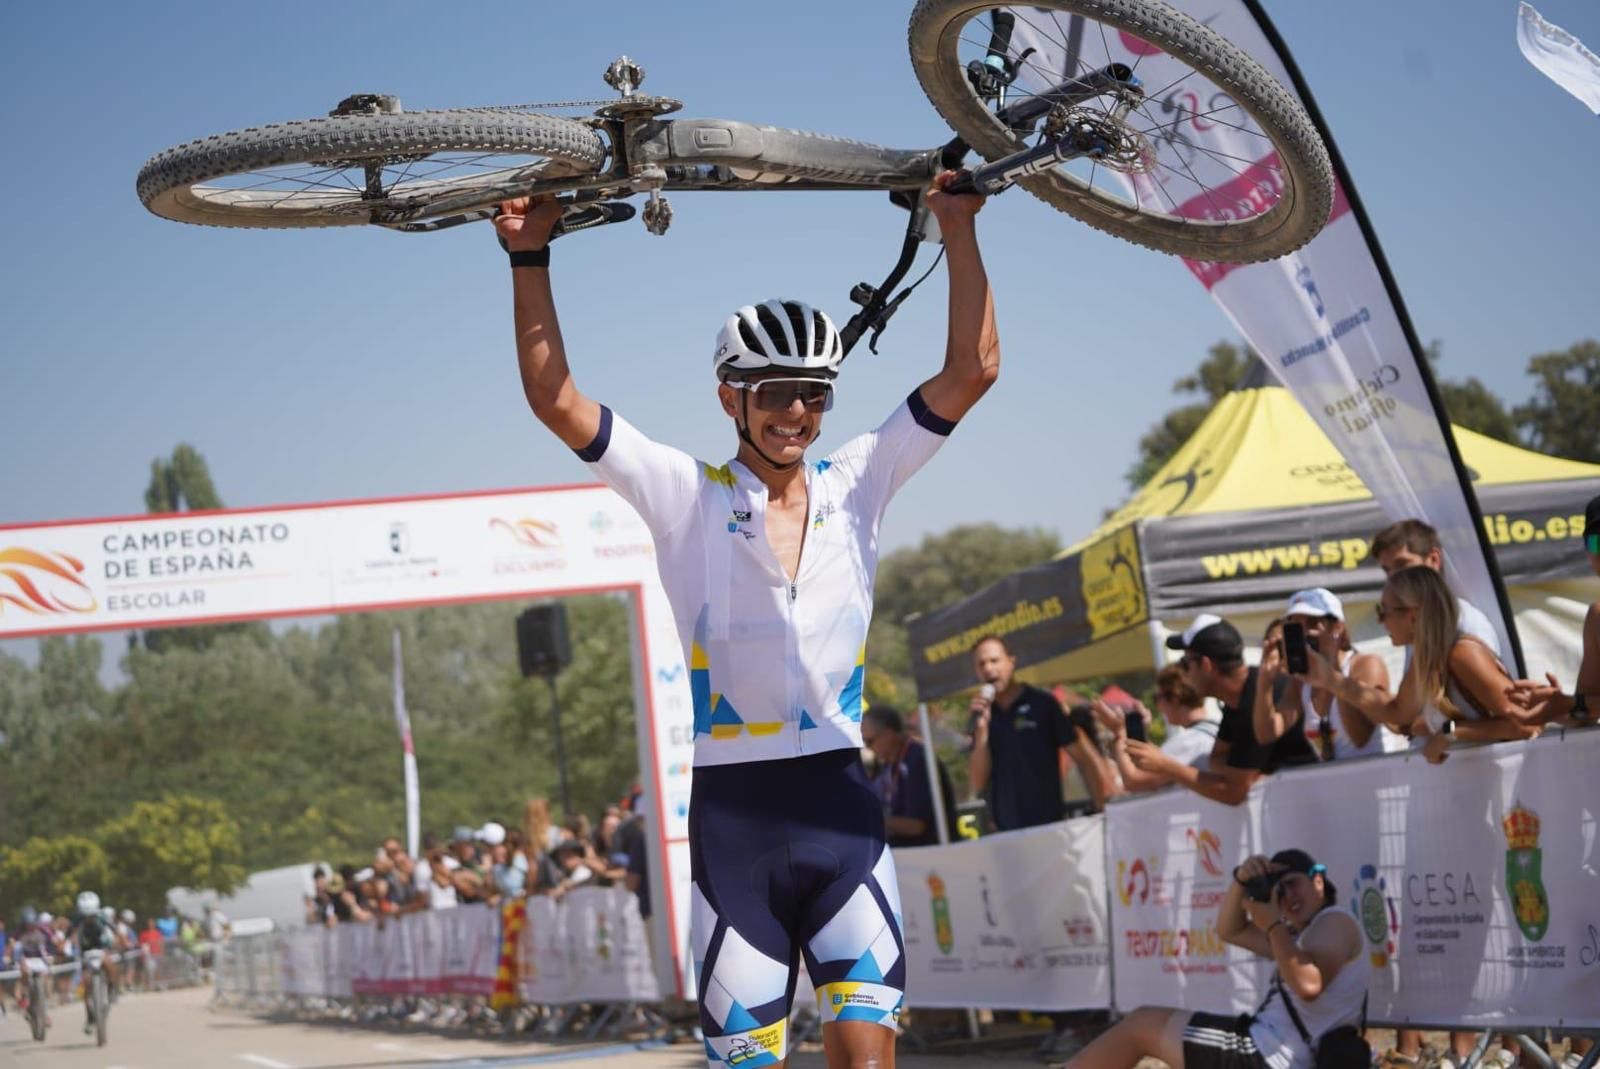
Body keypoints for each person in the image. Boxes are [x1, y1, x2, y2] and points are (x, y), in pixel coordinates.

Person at [496, 169, 995, 1067]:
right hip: (736, 827)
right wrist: (529, 255)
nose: (796, 412)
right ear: (730, 397)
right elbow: (554, 399)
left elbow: (974, 370)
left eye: (814, 392)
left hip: (844, 813)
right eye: (773, 392)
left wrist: (956, 227)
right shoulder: (684, 495)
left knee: (868, 1060)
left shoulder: (860, 481)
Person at [1064, 849, 1367, 1068]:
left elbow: (1309, 986)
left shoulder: (1334, 920)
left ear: (1318, 882)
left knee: (1142, 1025)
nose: (1288, 895)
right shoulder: (1299, 937)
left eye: (1293, 883)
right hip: (1274, 1053)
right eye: (1279, 889)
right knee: (1143, 1024)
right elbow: (1230, 930)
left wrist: (1273, 924)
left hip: (1267, 1055)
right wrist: (1240, 881)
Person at [1308, 566, 1538, 764]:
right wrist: (1330, 679)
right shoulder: (1425, 658)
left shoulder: (1462, 654)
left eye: (1383, 611)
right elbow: (1398, 713)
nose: (1380, 620)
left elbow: (1525, 724)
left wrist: (1451, 732)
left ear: (1413, 616)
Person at [1129, 616, 1316, 806]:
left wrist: (1167, 766)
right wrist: (1238, 773)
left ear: (1206, 665)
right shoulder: (1239, 695)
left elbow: (1233, 792)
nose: (1184, 673)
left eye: (1186, 663)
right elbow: (1216, 760)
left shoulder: (1256, 696)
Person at [968, 635, 1113, 830]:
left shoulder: (1043, 704)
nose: (988, 668)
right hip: (1005, 832)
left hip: (1048, 826)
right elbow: (978, 782)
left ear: (1011, 661)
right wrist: (982, 733)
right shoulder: (981, 716)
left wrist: (1100, 809)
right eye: (981, 664)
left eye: (994, 660)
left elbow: (1084, 759)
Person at [1255, 588, 1404, 762]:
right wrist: (1264, 683)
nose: (1305, 633)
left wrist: (1333, 667)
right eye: (1296, 626)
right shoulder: (1301, 680)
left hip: (1380, 775)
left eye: (1312, 623)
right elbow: (1267, 734)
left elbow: (1360, 738)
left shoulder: (1364, 664)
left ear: (1337, 627)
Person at [1512, 493, 1600, 729]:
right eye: (1597, 542)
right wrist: (1552, 705)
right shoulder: (1597, 616)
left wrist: (1570, 704)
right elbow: (1584, 713)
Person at [1096, 664, 1222, 794]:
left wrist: (1119, 734)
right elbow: (1158, 761)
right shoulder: (1215, 731)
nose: (1158, 706)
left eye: (1157, 698)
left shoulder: (1188, 741)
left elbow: (1134, 781)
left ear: (1174, 698)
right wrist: (1138, 733)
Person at [862, 705, 956, 848]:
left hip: (932, 853)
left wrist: (867, 821)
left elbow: (916, 826)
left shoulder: (918, 759)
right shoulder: (889, 764)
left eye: (869, 741)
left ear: (888, 734)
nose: (867, 747)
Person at [71, 891, 115, 1035]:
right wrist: (64, 944)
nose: (89, 919)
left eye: (91, 916)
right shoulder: (77, 920)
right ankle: (89, 1015)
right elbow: (69, 934)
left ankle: (112, 987)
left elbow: (114, 929)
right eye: (86, 916)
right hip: (86, 952)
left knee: (109, 964)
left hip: (100, 949)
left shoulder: (102, 917)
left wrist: (119, 941)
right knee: (85, 981)